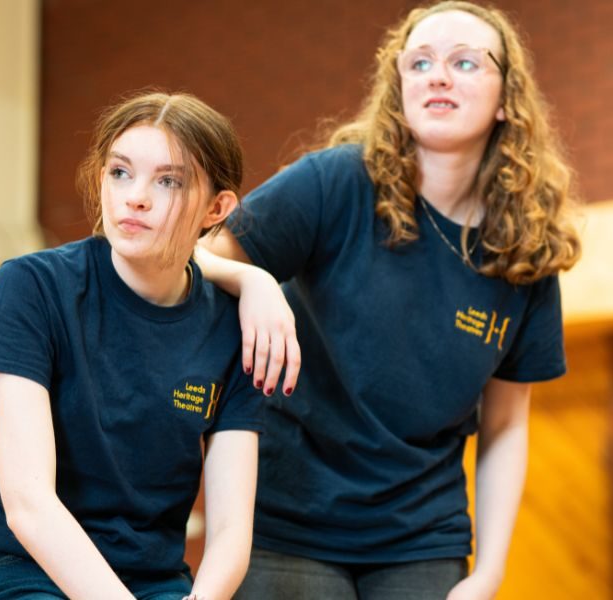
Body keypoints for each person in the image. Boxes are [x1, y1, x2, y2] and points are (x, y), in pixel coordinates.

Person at [196, 1, 582, 598]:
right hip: (288, 520)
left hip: (422, 538)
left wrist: (490, 572)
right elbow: (197, 258)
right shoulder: (335, 182)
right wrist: (254, 282)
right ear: (398, 87)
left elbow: (506, 424)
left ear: (507, 99)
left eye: (465, 62)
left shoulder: (524, 251)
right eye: (420, 62)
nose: (438, 75)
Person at [0, 91, 263, 600]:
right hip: (15, 564)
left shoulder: (236, 332)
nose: (135, 196)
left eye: (168, 181)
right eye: (120, 172)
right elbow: (29, 502)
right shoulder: (31, 287)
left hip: (150, 578)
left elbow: (229, 533)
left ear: (216, 208)